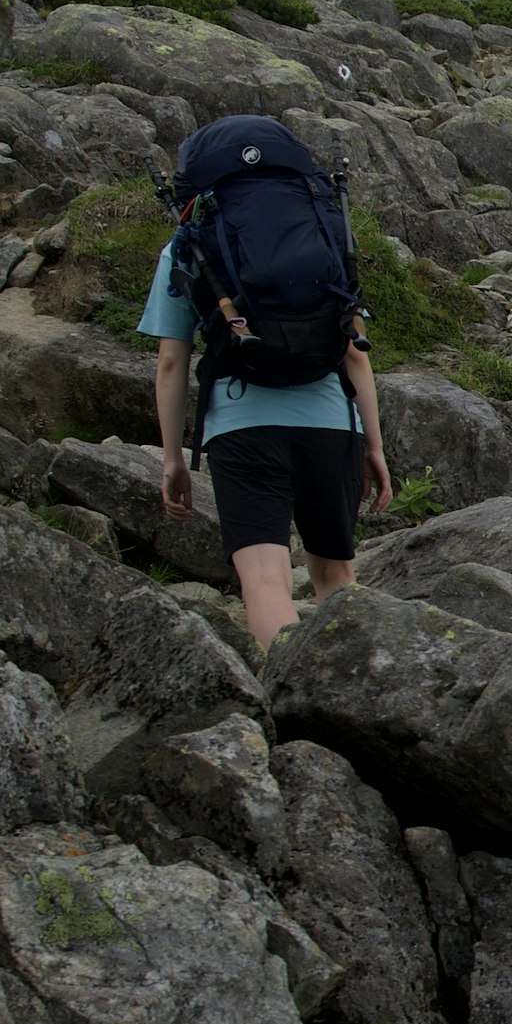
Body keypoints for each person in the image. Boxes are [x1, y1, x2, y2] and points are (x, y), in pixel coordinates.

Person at [141, 139, 393, 651]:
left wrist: (172, 458)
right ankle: (343, 699)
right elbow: (355, 352)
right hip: (329, 421)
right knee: (337, 578)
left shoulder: (190, 242)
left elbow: (172, 362)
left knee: (263, 578)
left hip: (241, 424)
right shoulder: (322, 231)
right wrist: (373, 445)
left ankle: (286, 691)